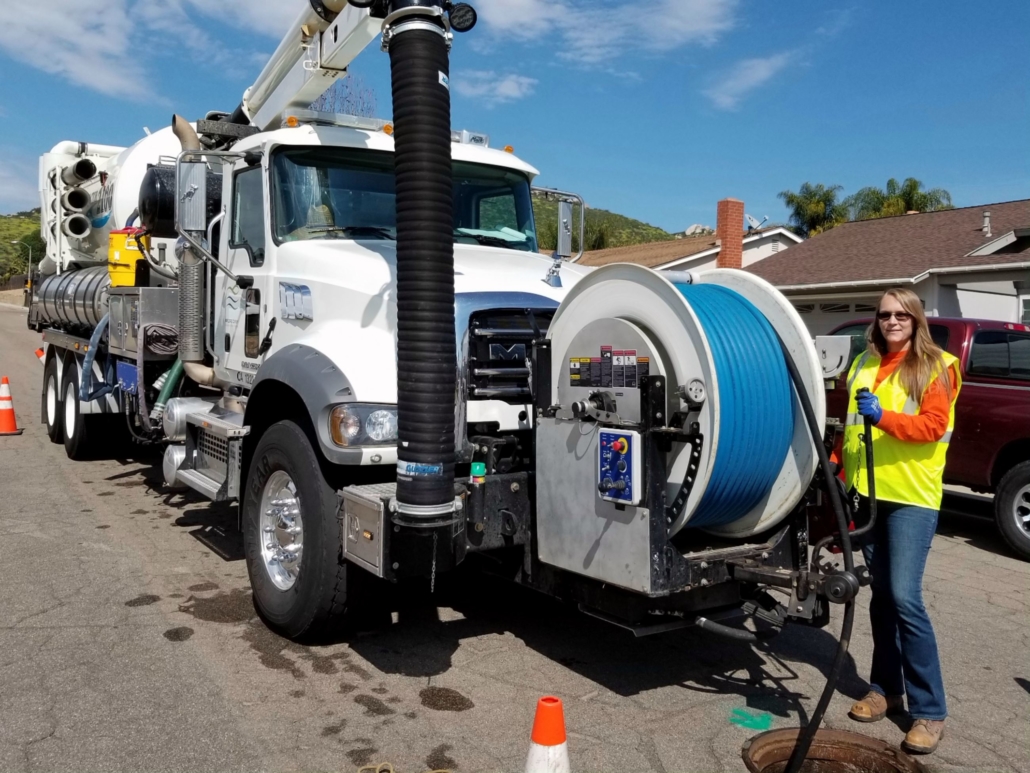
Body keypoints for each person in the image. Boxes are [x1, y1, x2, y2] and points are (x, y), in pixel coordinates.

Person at [839, 288, 960, 755]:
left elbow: (931, 426)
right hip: (868, 495)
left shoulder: (938, 366)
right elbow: (852, 427)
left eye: (900, 315)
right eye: (885, 314)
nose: (891, 321)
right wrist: (837, 465)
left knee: (906, 597)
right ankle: (885, 690)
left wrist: (884, 416)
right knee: (882, 598)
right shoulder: (862, 365)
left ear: (915, 320)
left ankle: (930, 711)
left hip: (911, 497)